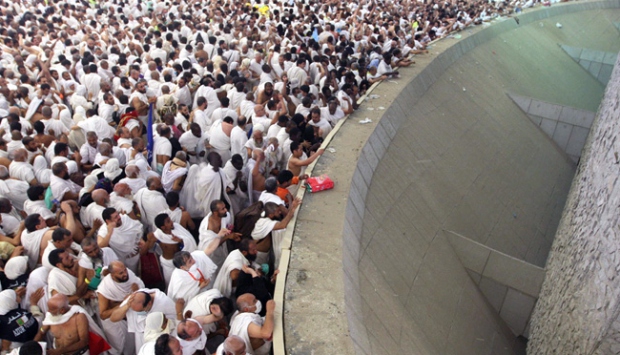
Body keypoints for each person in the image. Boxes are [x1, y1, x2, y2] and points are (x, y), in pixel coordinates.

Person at [37, 293, 109, 355]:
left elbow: (84, 341)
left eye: (51, 309)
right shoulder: (51, 317)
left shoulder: (78, 317)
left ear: (62, 310)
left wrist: (60, 351)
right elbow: (41, 332)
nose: (48, 311)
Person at [97, 260, 144, 355]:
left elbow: (140, 288)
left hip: (131, 317)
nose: (125, 274)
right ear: (112, 275)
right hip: (115, 322)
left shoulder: (130, 275)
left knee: (134, 345)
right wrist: (124, 303)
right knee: (120, 348)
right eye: (121, 273)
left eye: (125, 270)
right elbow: (103, 314)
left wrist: (137, 291)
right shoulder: (105, 288)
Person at [98, 208, 144, 273]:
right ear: (108, 221)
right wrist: (109, 233)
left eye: (118, 215)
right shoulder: (104, 230)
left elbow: (137, 228)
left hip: (137, 256)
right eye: (115, 217)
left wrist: (140, 239)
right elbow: (100, 246)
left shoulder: (125, 218)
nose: (119, 217)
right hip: (122, 260)